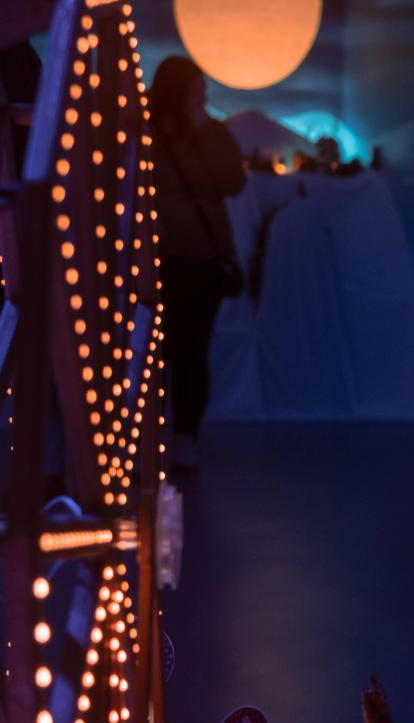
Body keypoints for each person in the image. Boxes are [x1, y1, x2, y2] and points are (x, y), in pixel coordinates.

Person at [149, 56, 245, 469]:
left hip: (200, 258)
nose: (200, 97)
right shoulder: (151, 134)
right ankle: (164, 434)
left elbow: (232, 183)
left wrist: (205, 131)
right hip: (166, 257)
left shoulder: (210, 133)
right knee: (165, 351)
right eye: (194, 89)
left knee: (189, 350)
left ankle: (183, 433)